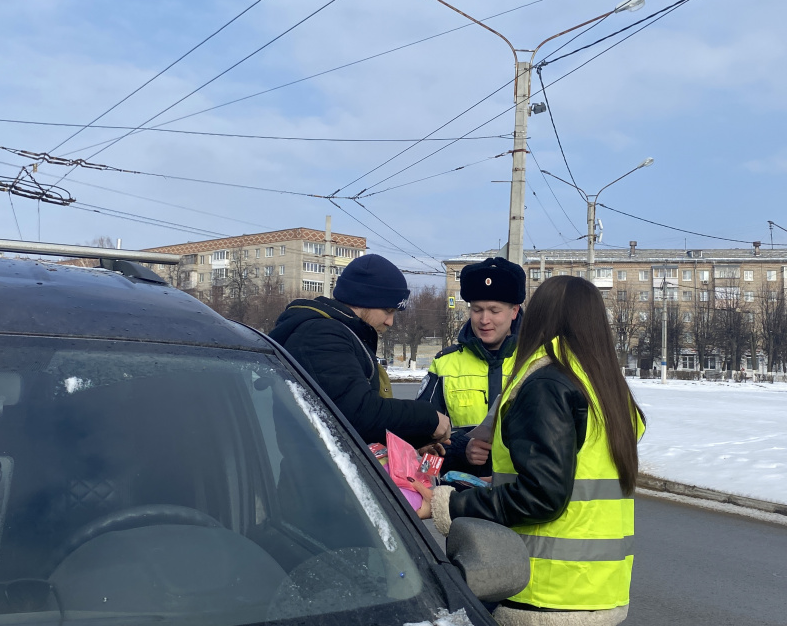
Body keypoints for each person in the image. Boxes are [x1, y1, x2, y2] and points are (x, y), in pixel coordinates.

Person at [412, 275, 646, 626]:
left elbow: (542, 495)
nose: (484, 317)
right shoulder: (606, 387)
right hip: (600, 586)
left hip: (545, 588)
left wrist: (450, 504)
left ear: (536, 317)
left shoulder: (547, 383)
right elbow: (578, 475)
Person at [270, 254, 450, 448]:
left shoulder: (344, 335)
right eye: (388, 311)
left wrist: (414, 442)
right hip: (316, 476)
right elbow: (357, 414)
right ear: (364, 298)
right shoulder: (320, 335)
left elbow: (355, 424)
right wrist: (428, 418)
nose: (390, 322)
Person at [418, 257, 524, 476]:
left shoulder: (536, 362)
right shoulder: (444, 364)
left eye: (494, 311)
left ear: (514, 311)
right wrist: (460, 451)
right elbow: (421, 458)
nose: (484, 319)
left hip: (521, 501)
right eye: (477, 310)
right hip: (459, 500)